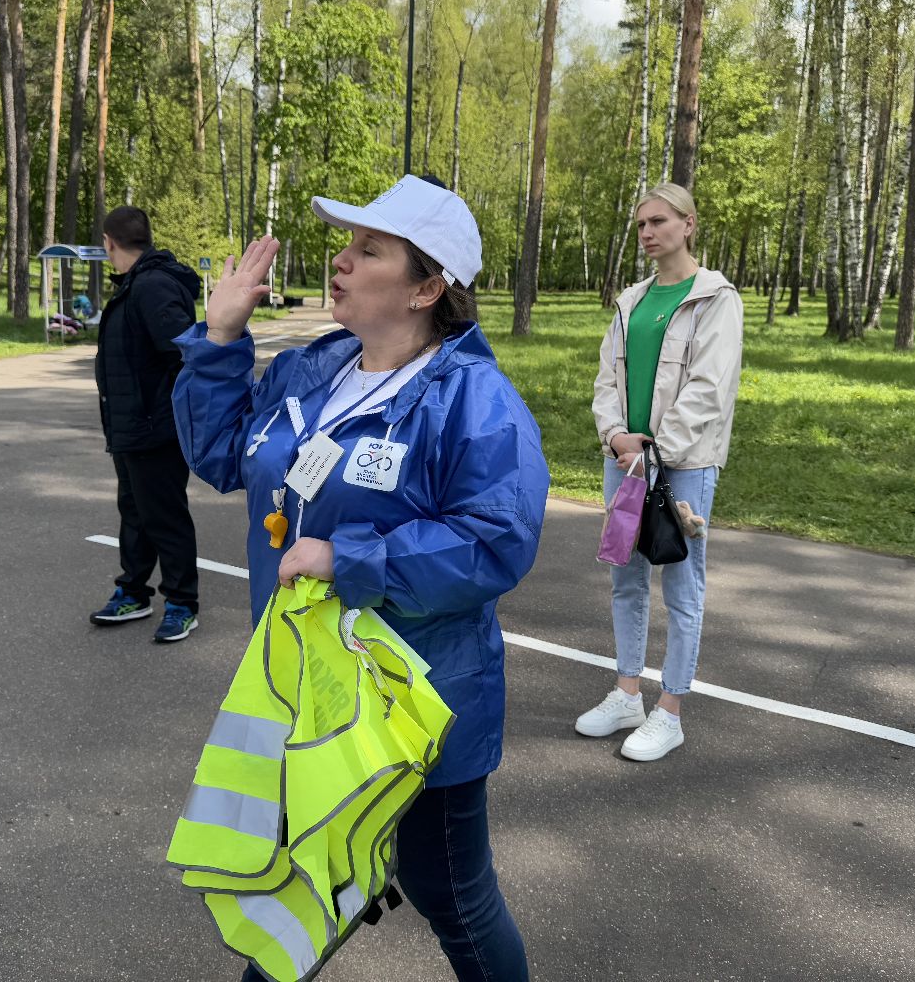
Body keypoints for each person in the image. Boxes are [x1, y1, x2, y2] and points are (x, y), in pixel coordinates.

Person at [172, 173, 548, 982]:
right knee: (308, 873)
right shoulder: (316, 369)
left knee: (451, 894)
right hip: (309, 691)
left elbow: (496, 542)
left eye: (368, 249)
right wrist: (219, 342)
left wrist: (351, 560)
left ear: (427, 287)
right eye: (346, 244)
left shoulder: (474, 401)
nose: (340, 261)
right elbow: (221, 456)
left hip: (416, 707)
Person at [576, 182, 743, 762]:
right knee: (625, 577)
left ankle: (669, 711)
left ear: (689, 224)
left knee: (681, 586)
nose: (648, 232)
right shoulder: (632, 300)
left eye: (659, 222)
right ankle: (627, 693)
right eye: (641, 224)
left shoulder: (716, 298)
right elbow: (605, 380)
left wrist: (654, 451)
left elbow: (708, 389)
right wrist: (616, 437)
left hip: (682, 466)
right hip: (623, 460)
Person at [90, 205, 203, 642]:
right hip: (129, 429)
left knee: (164, 515)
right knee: (135, 513)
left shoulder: (152, 286)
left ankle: (181, 603)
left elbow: (184, 355)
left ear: (110, 242)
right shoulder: (136, 284)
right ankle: (133, 592)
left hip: (154, 430)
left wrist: (160, 414)